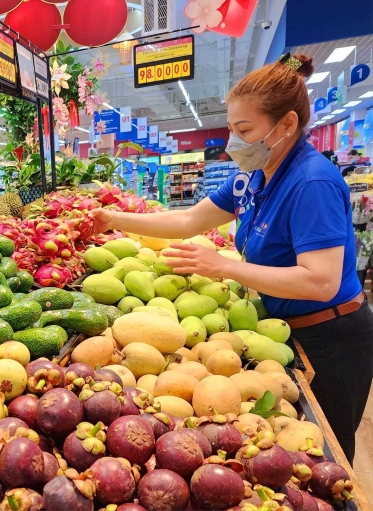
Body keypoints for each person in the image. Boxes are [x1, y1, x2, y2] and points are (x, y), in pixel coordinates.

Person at [91, 53, 373, 462]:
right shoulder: (253, 175)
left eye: (244, 129)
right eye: (232, 128)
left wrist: (223, 266)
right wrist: (113, 217)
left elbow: (321, 281)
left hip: (334, 337)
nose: (234, 141)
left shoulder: (312, 182)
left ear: (287, 124)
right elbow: (190, 218)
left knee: (323, 457)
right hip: (285, 328)